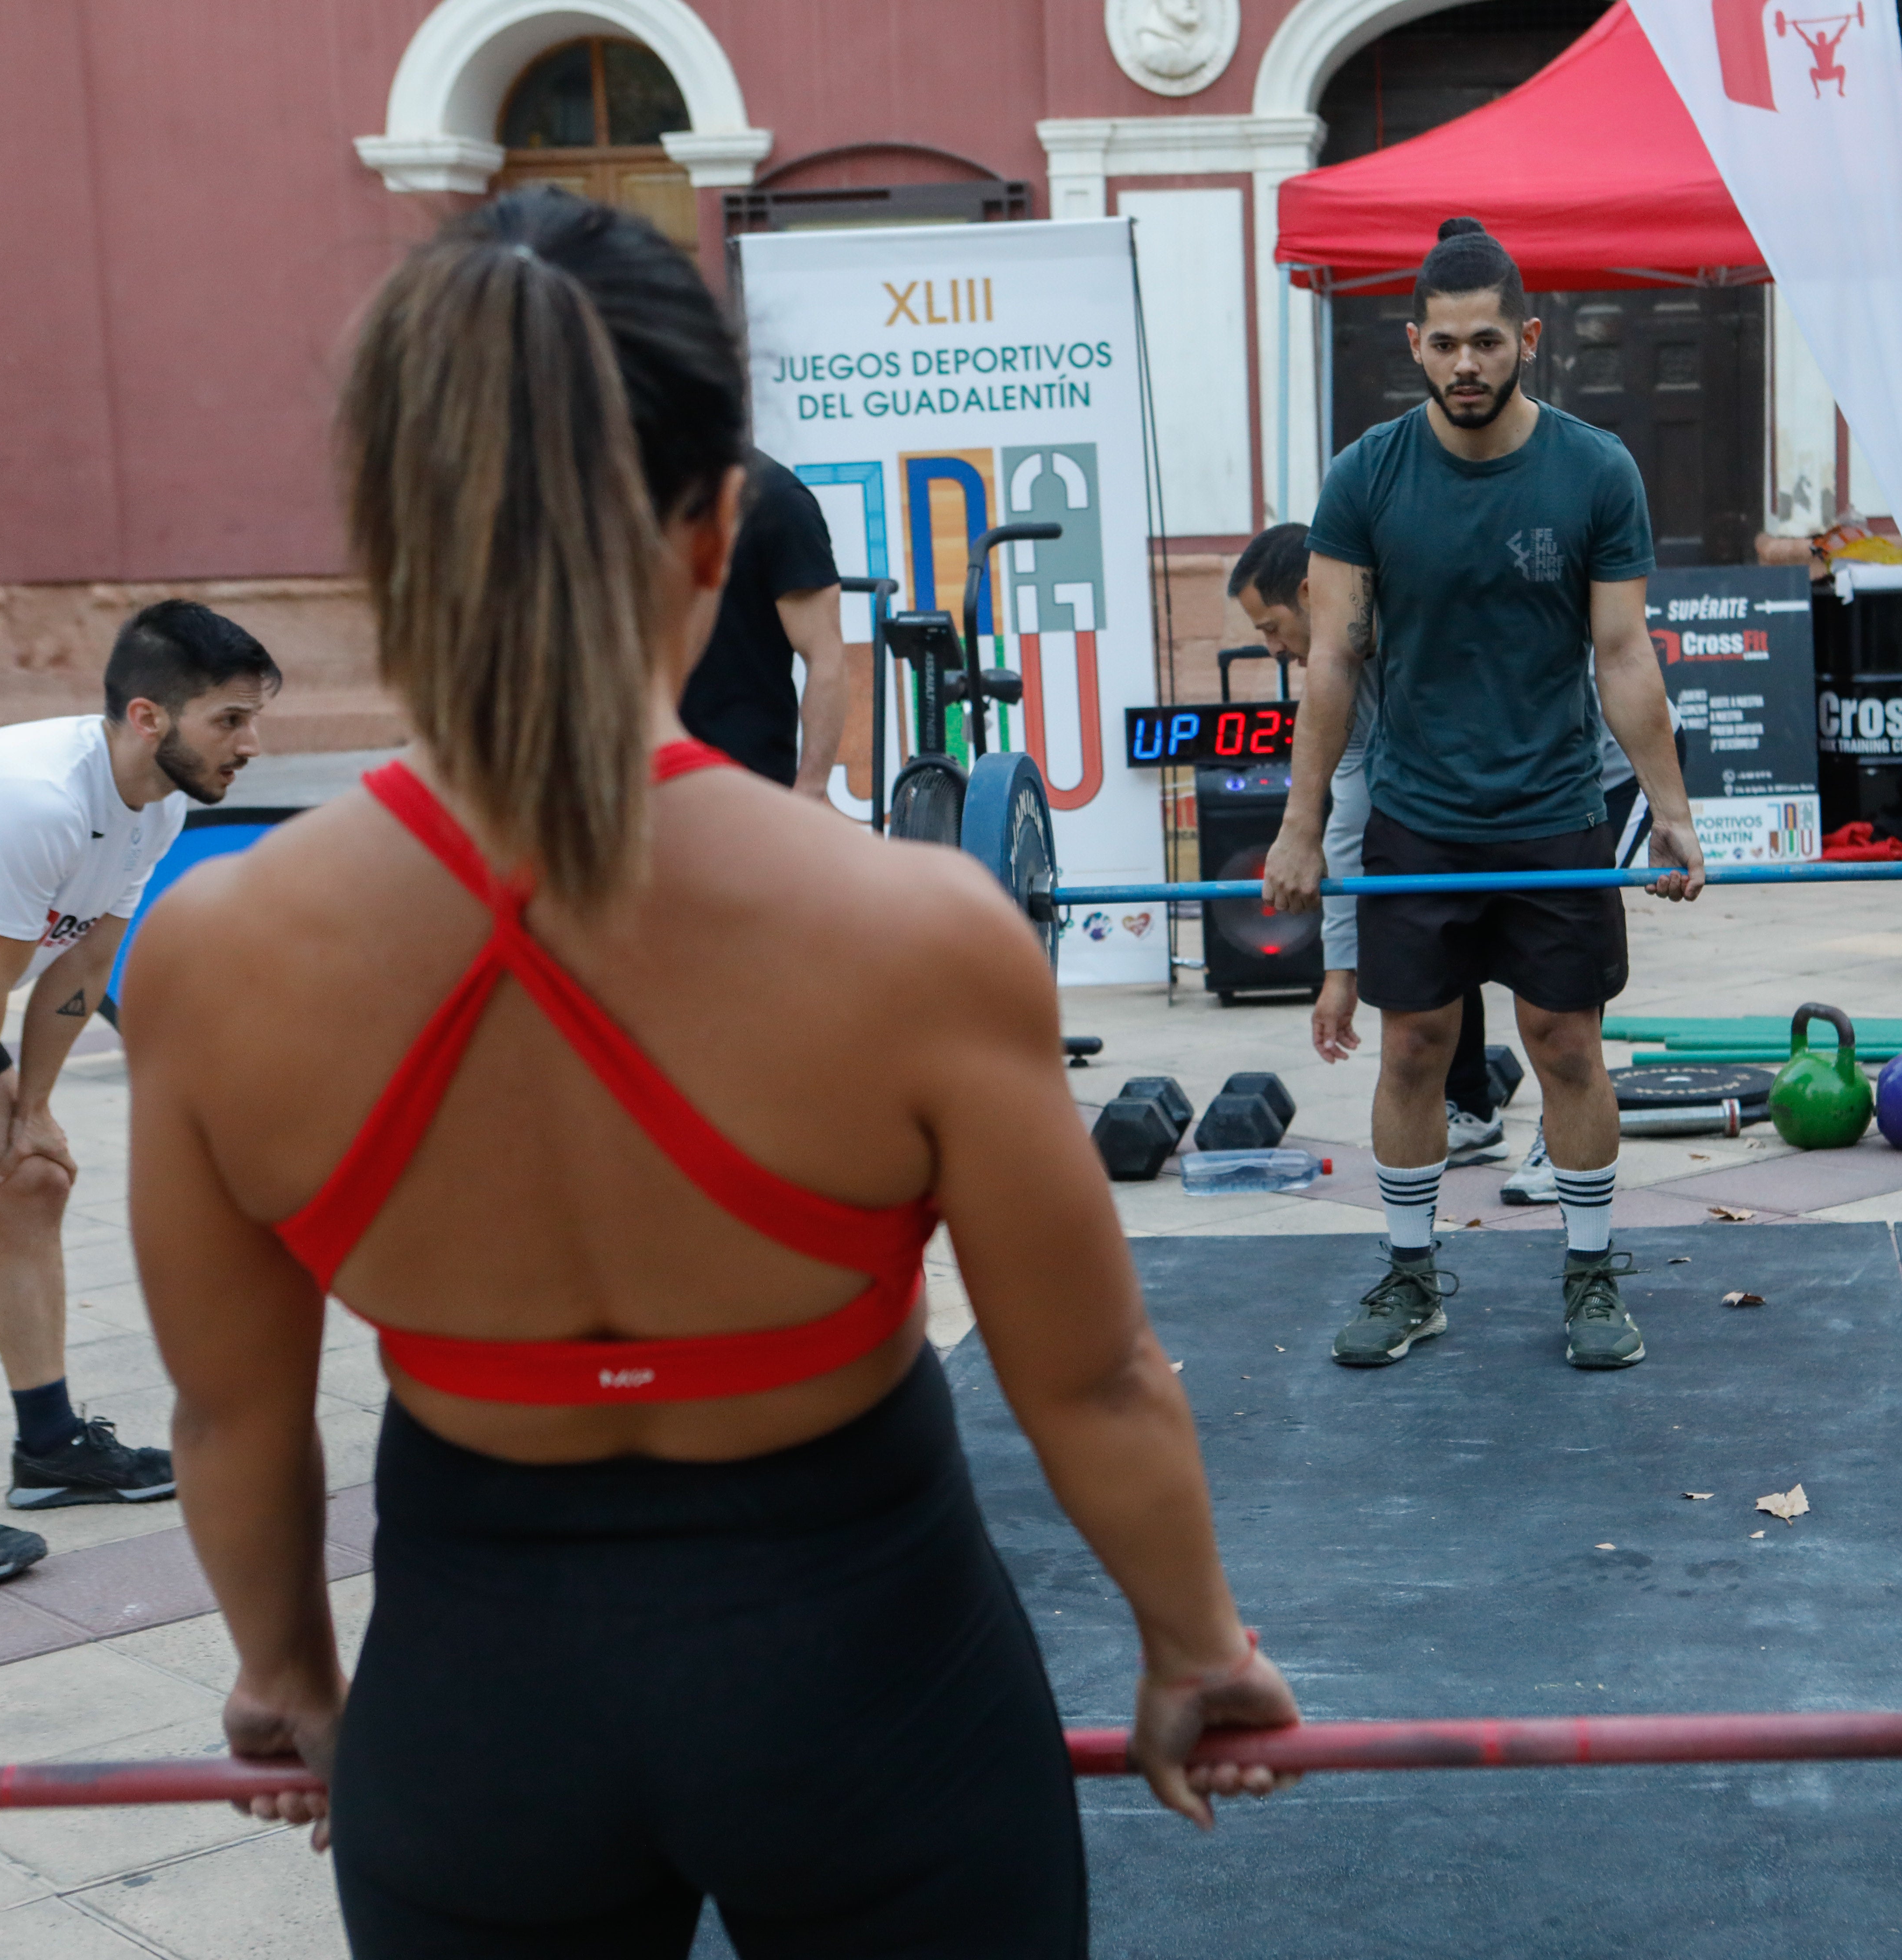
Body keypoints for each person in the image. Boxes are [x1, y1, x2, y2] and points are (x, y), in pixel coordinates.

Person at [125, 189, 1294, 1955]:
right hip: (867, 1684)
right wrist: (1198, 1650)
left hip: (477, 1711)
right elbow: (1101, 1380)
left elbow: (231, 1413)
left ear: (386, 541)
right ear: (718, 532)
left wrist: (288, 1674)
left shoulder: (214, 957)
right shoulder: (920, 932)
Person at [1264, 217, 1703, 1373]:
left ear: (1529, 341)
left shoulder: (1594, 470)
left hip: (1553, 807)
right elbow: (1336, 660)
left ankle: (1593, 1275)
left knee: (1566, 1044)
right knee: (1413, 1047)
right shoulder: (1366, 479)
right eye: (1447, 344)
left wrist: (1670, 809)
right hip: (1418, 811)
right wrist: (1302, 824)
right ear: (1414, 343)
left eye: (1489, 342)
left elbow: (1623, 654)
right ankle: (1411, 1276)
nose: (1467, 365)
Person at [0, 601, 274, 1590]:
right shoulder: (39, 798)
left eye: (253, 720)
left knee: (30, 1185)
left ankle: (51, 1449)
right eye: (230, 722)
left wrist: (32, 1111)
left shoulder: (158, 801)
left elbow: (85, 963)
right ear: (151, 716)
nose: (252, 744)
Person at [1228, 523, 1504, 1158]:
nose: (1272, 648)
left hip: (1603, 769)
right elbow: (1349, 822)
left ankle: (1561, 1131)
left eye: (1270, 627)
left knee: (1556, 977)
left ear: (1308, 591)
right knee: (1445, 920)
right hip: (1483, 784)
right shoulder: (1344, 683)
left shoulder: (1419, 627)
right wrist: (1339, 973)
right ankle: (1472, 1111)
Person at [679, 446, 849, 800]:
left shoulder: (776, 499)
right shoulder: (616, 496)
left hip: (747, 776)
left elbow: (825, 657)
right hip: (633, 780)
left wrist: (812, 788)